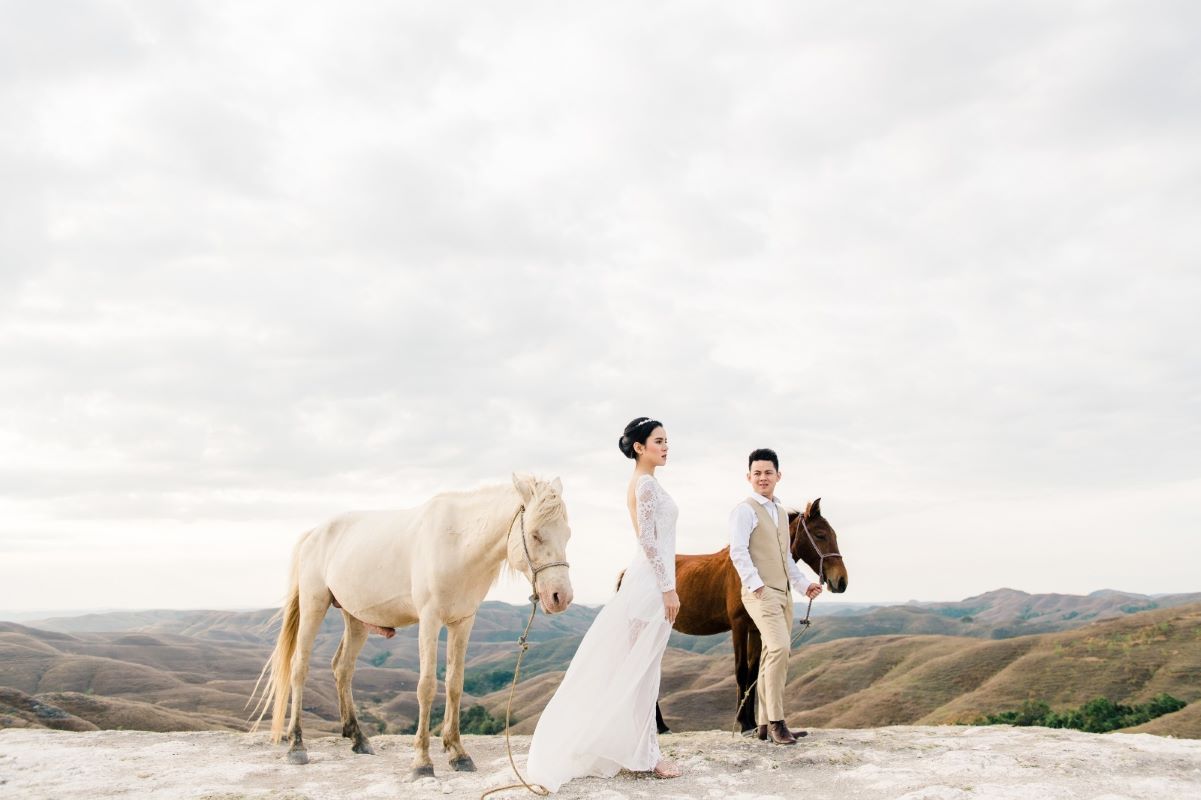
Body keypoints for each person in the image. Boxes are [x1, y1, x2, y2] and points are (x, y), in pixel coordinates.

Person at [526, 417, 682, 790]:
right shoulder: (644, 485)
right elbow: (648, 542)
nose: (665, 446)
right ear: (640, 448)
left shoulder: (650, 484)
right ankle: (648, 755)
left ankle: (641, 749)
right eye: (658, 441)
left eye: (666, 441)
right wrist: (667, 588)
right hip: (649, 584)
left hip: (652, 581)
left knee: (644, 670)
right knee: (642, 672)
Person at [728, 447, 822, 745]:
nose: (762, 477)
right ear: (748, 477)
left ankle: (764, 726)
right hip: (760, 593)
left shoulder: (780, 513)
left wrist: (804, 585)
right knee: (780, 647)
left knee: (774, 653)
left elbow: (785, 558)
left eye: (768, 472)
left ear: (778, 476)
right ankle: (778, 722)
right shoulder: (744, 510)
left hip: (783, 593)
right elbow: (738, 551)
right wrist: (755, 585)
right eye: (757, 473)